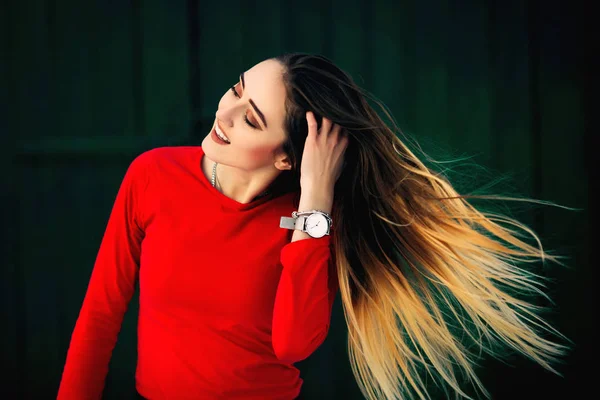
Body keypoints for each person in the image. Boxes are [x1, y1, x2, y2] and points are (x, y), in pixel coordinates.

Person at [57, 53, 567, 400]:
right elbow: (100, 315)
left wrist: (316, 201)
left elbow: (293, 345)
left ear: (286, 159)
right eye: (235, 90)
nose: (224, 112)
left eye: (252, 119)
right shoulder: (152, 175)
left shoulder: (312, 224)